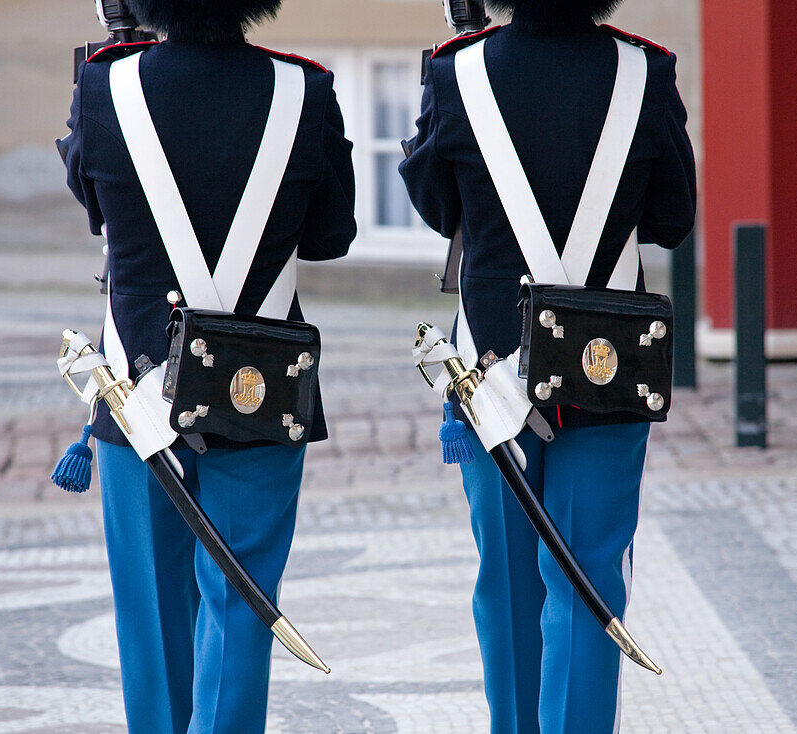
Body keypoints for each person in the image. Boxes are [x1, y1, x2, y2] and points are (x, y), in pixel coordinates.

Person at [399, 1, 695, 732]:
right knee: (590, 585)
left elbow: (440, 208)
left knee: (506, 586)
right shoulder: (644, 70)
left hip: (492, 369)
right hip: (610, 367)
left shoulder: (457, 71)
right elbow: (671, 220)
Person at [60, 0, 356, 731]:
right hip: (261, 387)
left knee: (155, 620)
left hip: (138, 392)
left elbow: (95, 209)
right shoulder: (305, 91)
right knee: (240, 609)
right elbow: (330, 235)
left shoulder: (105, 87)